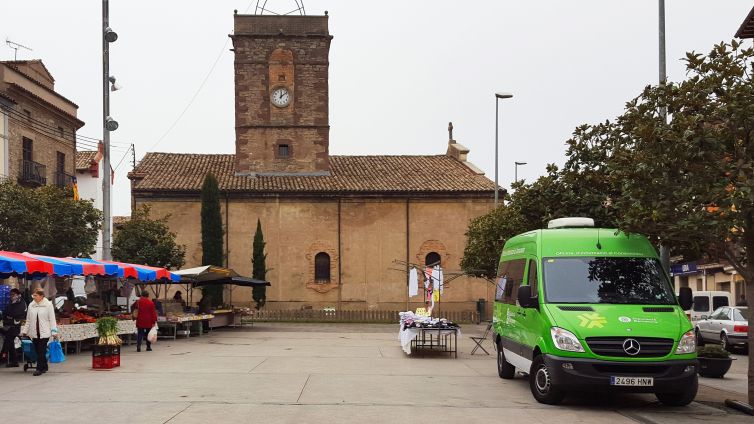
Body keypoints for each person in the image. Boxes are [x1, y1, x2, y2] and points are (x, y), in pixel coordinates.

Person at [20, 288, 58, 376]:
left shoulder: (48, 305)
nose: (34, 297)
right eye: (33, 295)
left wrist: (54, 332)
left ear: (41, 296)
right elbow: (28, 320)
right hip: (34, 332)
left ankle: (39, 369)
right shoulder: (31, 305)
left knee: (41, 350)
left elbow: (52, 319)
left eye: (36, 295)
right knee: (38, 351)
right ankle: (44, 366)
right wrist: (24, 331)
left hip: (45, 332)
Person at [1, 289, 27, 367]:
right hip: (9, 326)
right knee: (10, 344)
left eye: (13, 294)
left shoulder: (22, 303)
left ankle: (2, 359)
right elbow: (5, 313)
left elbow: (16, 313)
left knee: (6, 344)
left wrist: (10, 316)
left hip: (15, 327)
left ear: (18, 295)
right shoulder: (12, 303)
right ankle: (15, 362)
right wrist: (9, 316)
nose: (11, 296)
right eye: (11, 294)